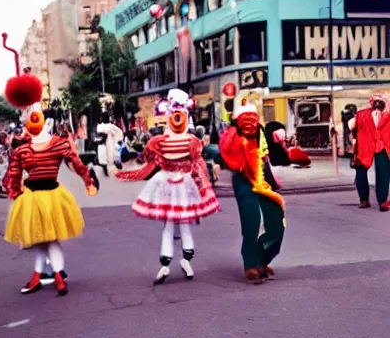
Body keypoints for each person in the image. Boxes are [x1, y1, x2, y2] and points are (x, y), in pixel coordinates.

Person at [115, 105, 220, 285]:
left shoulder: (160, 141)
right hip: (186, 183)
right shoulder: (192, 141)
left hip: (166, 182)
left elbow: (148, 158)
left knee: (169, 225)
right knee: (185, 223)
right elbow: (198, 161)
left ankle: (165, 264)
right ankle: (186, 261)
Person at [3, 105, 99, 296]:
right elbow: (13, 174)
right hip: (33, 197)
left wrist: (88, 182)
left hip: (50, 195)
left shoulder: (56, 144)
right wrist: (13, 191)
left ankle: (52, 276)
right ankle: (45, 276)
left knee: (48, 240)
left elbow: (76, 164)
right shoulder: (22, 149)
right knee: (39, 239)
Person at [220, 104, 288, 284]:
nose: (250, 121)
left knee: (276, 224)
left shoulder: (261, 133)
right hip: (243, 180)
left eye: (253, 117)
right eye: (245, 117)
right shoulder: (232, 136)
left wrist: (277, 134)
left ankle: (263, 260)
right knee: (251, 224)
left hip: (264, 179)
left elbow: (272, 145)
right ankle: (251, 265)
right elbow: (224, 153)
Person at [348, 94, 390, 211]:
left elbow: (351, 126)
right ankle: (377, 201)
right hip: (375, 146)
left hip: (373, 146)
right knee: (380, 173)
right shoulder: (385, 115)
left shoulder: (362, 114)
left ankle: (370, 200)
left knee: (375, 173)